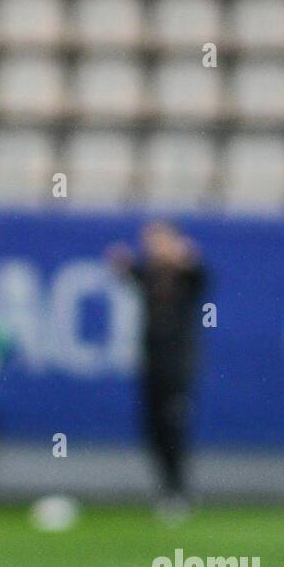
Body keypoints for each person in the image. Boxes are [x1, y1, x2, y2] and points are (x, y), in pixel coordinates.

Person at [107, 221, 207, 517]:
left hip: (178, 367)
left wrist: (186, 260)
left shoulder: (186, 275)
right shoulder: (150, 276)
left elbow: (198, 279)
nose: (154, 247)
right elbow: (130, 273)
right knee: (153, 430)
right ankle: (166, 488)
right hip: (151, 366)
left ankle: (179, 489)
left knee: (173, 426)